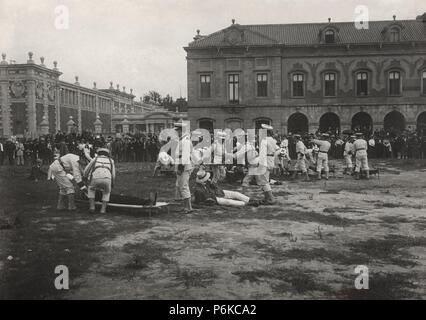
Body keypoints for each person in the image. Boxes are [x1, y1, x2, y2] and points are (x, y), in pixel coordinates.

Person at [83, 148, 116, 214]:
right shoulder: (111, 160)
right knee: (107, 192)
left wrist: (85, 177)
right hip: (107, 178)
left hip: (95, 178)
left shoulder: (95, 159)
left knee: (91, 189)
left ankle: (92, 207)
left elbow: (87, 169)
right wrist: (112, 183)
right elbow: (113, 173)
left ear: (98, 153)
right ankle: (103, 210)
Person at [174, 122, 194, 214]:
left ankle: (188, 208)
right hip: (182, 165)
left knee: (184, 186)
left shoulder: (185, 141)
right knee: (181, 186)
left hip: (184, 166)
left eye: (177, 130)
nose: (176, 132)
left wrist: (180, 168)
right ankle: (185, 206)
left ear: (181, 131)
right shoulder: (182, 140)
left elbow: (185, 156)